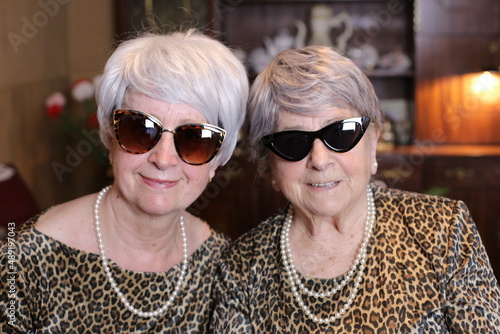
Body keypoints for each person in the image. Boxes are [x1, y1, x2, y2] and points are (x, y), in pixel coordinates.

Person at [211, 45, 500, 333]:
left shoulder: (442, 229)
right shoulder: (241, 268)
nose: (320, 161)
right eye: (293, 142)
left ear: (373, 141)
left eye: (340, 133)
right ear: (269, 165)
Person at [0, 29, 248, 333]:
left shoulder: (226, 267)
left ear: (218, 159)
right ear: (109, 135)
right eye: (140, 129)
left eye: (195, 138)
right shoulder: (24, 260)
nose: (164, 158)